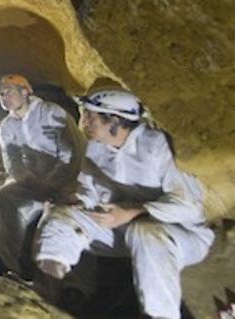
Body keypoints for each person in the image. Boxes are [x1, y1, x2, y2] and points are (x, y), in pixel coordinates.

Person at [34, 87, 214, 319]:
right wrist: (79, 201)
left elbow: (188, 206)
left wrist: (133, 212)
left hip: (181, 234)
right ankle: (44, 295)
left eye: (91, 116)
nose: (84, 121)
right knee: (59, 215)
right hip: (120, 224)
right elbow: (89, 188)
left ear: (115, 122)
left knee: (145, 232)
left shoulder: (157, 145)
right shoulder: (95, 147)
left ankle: (160, 315)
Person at [0, 74, 85, 277]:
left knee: (70, 216)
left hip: (69, 182)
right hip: (33, 184)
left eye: (9, 92)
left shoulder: (52, 113)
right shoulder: (7, 126)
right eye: (1, 94)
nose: (4, 97)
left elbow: (72, 154)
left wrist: (51, 183)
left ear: (25, 91)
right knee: (5, 197)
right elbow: (12, 162)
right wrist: (31, 182)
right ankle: (3, 259)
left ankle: (77, 285)